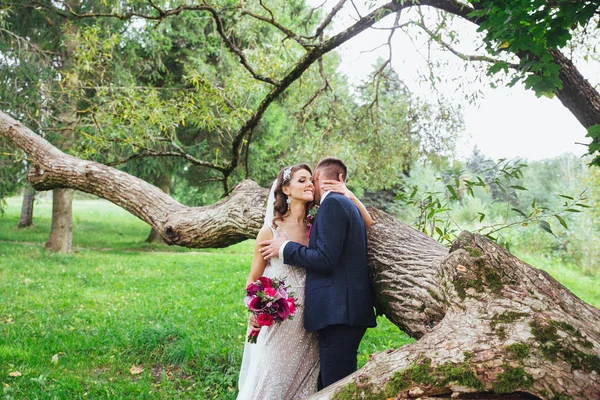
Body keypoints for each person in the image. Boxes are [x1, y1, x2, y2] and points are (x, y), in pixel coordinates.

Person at [237, 162, 373, 400]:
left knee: (305, 384)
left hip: (312, 317)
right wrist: (254, 308)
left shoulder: (315, 225)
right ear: (286, 190)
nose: (310, 184)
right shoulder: (270, 231)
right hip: (281, 318)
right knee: (272, 375)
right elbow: (253, 278)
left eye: (311, 180)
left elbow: (366, 223)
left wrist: (349, 195)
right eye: (302, 180)